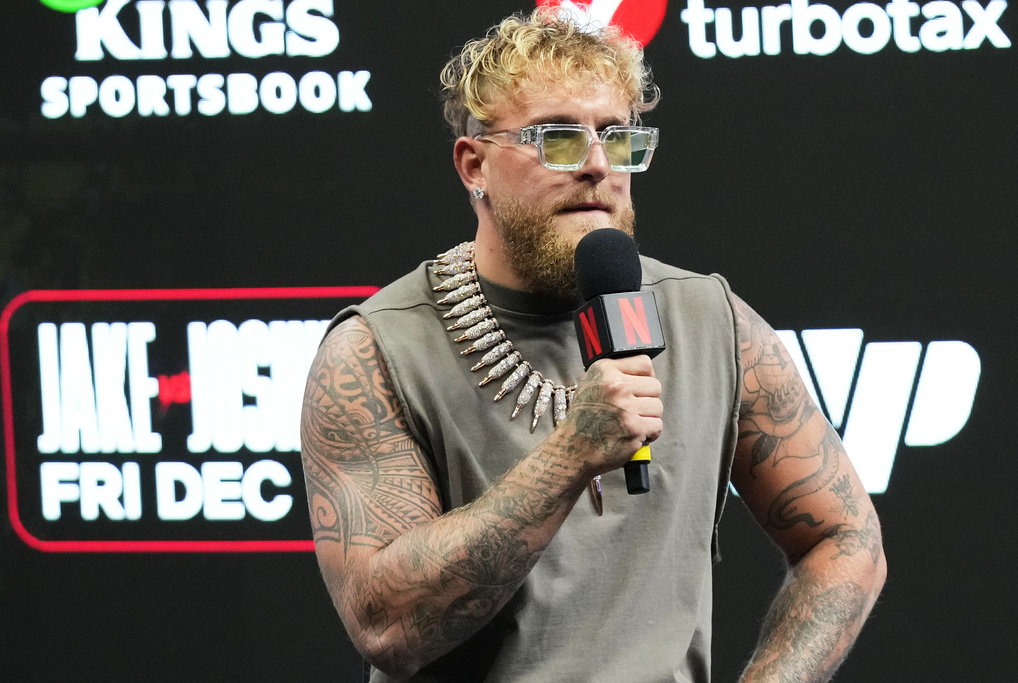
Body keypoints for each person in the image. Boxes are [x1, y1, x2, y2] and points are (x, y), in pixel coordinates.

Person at [300, 10, 886, 682]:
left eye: (618, 138)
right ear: (474, 164)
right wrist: (572, 453)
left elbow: (847, 537)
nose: (598, 166)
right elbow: (388, 626)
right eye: (557, 139)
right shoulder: (376, 350)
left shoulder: (709, 320)